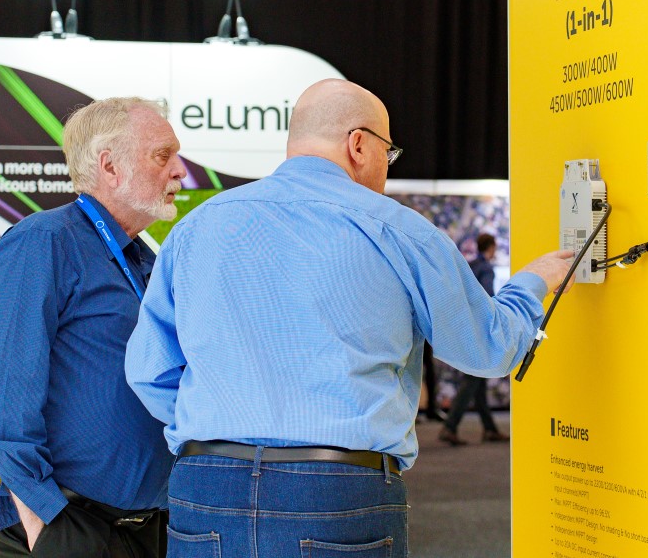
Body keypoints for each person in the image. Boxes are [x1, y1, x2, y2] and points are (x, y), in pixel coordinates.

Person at [125, 78, 574, 558]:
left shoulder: (195, 228)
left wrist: (224, 423)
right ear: (358, 144)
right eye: (388, 152)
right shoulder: (397, 229)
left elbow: (148, 371)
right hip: (335, 487)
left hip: (206, 485)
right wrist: (532, 283)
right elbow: (489, 348)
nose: (387, 166)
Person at [0, 97, 187, 558]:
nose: (180, 171)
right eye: (163, 155)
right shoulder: (43, 242)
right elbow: (6, 398)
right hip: (70, 525)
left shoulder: (145, 260)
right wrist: (44, 524)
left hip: (147, 527)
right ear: (110, 166)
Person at [439, 232, 509, 445]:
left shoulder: (469, 266)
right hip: (479, 328)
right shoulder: (486, 269)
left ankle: (489, 429)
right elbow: (486, 298)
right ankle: (450, 426)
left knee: (477, 381)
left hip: (464, 326)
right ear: (492, 247)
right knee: (473, 379)